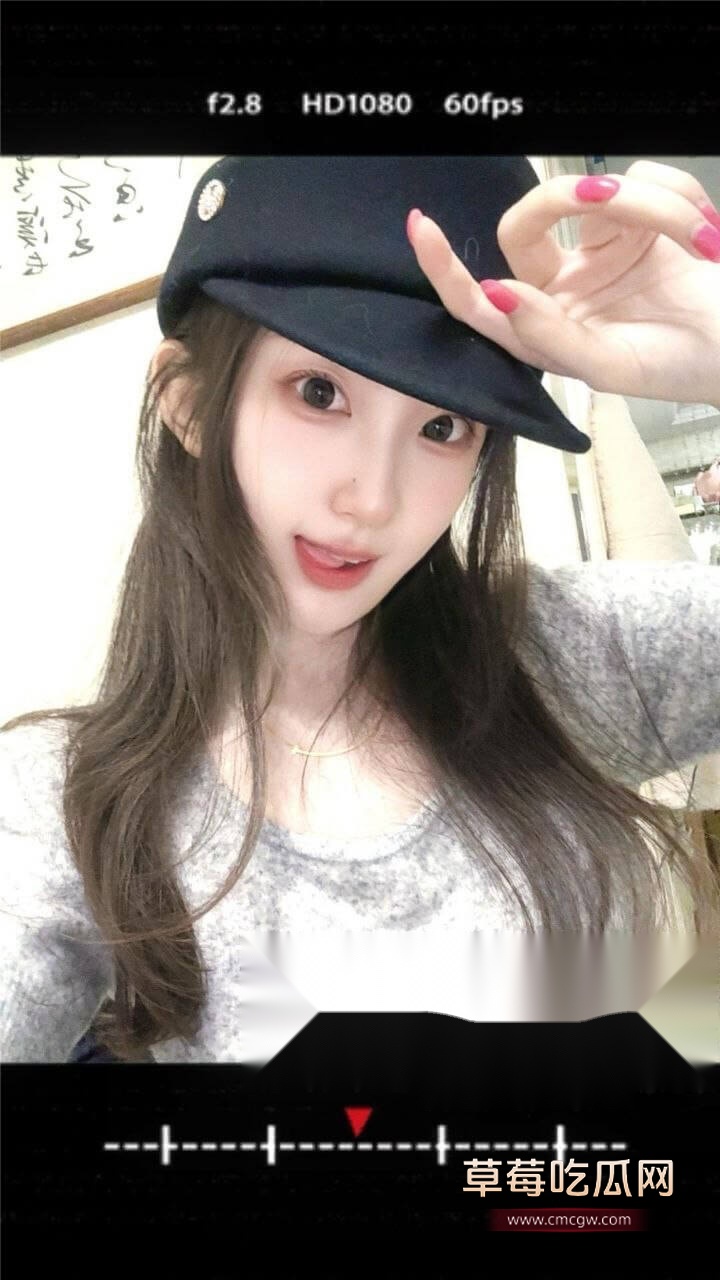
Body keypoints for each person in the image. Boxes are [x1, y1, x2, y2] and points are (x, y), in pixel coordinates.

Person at [1, 156, 719, 1065]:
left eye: (442, 426)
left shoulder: (563, 652)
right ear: (188, 405)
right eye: (319, 393)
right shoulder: (59, 801)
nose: (372, 501)